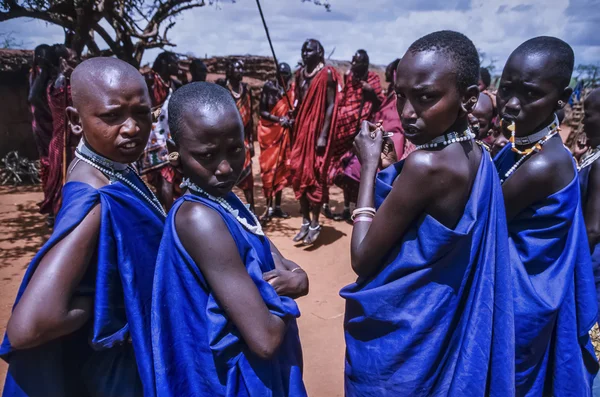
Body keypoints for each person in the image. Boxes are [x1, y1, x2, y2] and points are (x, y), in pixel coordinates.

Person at [340, 31, 514, 396]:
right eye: (400, 95)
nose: (406, 112)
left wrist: (369, 167)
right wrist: (393, 167)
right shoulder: (477, 153)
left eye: (426, 97)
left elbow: (362, 257)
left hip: (407, 344)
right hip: (439, 326)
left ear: (468, 99)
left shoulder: (426, 165)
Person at [1, 57, 165, 397]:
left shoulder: (115, 169)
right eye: (112, 116)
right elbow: (28, 327)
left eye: (142, 113)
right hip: (115, 376)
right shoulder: (95, 201)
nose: (132, 128)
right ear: (76, 121)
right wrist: (113, 306)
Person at [152, 82, 308, 396]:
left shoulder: (226, 202)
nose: (225, 167)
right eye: (207, 155)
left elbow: (289, 269)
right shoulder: (200, 218)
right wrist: (287, 292)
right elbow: (265, 339)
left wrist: (292, 282)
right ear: (175, 153)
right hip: (237, 381)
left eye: (236, 149)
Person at [494, 37, 599, 395]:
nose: (510, 103)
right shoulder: (521, 147)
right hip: (512, 293)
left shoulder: (544, 163)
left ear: (563, 99)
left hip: (521, 302)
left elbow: (481, 221)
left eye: (528, 94)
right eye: (505, 88)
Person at [290, 39, 340, 245]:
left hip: (317, 132)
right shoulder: (300, 74)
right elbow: (299, 101)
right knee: (297, 171)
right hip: (301, 131)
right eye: (303, 50)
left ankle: (315, 223)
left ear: (319, 52)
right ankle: (304, 221)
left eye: (309, 50)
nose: (304, 53)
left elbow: (330, 106)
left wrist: (323, 135)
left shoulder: (326, 74)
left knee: (315, 174)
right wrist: (293, 113)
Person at [329, 50, 383, 221]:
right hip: (344, 134)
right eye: (352, 61)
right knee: (343, 172)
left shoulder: (373, 79)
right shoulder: (349, 77)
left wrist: (371, 92)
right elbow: (344, 99)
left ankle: (359, 210)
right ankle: (346, 208)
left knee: (358, 173)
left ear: (365, 64)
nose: (353, 65)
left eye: (356, 62)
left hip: (363, 134)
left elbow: (380, 102)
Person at [39, 44, 80, 220]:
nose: (77, 61)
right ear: (63, 62)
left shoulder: (63, 84)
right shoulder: (61, 88)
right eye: (74, 59)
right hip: (66, 144)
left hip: (66, 142)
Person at [138, 51, 181, 210]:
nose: (178, 66)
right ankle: (170, 217)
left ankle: (162, 213)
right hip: (154, 138)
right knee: (165, 176)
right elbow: (148, 108)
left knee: (170, 175)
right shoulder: (150, 80)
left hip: (171, 138)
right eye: (175, 63)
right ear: (165, 64)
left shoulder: (173, 84)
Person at [257, 62, 295, 223]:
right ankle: (268, 205)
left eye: (286, 75)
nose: (283, 78)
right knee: (268, 170)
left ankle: (277, 206)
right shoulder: (269, 87)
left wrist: (291, 117)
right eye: (281, 75)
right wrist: (279, 119)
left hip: (284, 135)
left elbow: (294, 111)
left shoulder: (291, 91)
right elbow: (262, 111)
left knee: (280, 170)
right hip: (269, 133)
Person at [219, 60, 256, 213]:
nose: (241, 70)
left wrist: (252, 140)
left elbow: (250, 118)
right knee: (225, 174)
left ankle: (252, 211)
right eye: (237, 67)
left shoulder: (246, 90)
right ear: (229, 71)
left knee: (247, 176)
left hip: (243, 139)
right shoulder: (222, 90)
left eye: (242, 67)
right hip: (226, 140)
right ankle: (224, 210)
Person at [579, 88, 600, 323]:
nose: (584, 120)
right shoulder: (594, 156)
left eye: (589, 114)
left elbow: (593, 229)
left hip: (591, 261)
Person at [28, 44, 55, 221]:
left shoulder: (35, 73)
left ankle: (52, 203)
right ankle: (53, 205)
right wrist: (52, 112)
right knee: (52, 164)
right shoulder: (41, 73)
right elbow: (33, 97)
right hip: (47, 125)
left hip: (41, 124)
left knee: (50, 164)